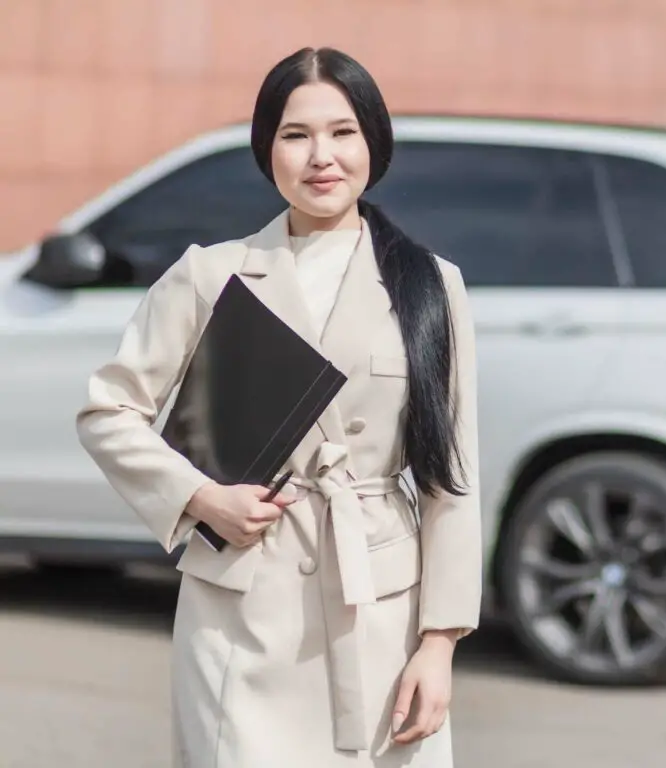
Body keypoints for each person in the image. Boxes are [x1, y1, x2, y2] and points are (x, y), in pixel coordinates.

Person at [75, 46, 481, 767]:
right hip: (240, 614)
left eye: (342, 132)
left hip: (382, 614)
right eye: (296, 136)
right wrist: (202, 498)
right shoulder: (210, 274)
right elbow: (109, 411)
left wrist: (439, 645)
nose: (321, 156)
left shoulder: (429, 285)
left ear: (373, 142)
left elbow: (453, 480)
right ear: (267, 151)